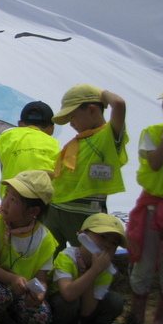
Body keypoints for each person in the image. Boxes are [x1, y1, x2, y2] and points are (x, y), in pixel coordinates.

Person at [0, 170, 57, 324]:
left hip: (23, 292)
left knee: (41, 316)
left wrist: (40, 294)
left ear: (33, 211)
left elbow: (42, 279)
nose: (5, 203)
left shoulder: (45, 238)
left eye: (13, 200)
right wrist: (13, 278)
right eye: (6, 195)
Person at [123, 76, 163, 324]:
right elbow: (154, 164)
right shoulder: (152, 133)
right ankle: (136, 322)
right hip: (152, 207)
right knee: (142, 263)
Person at [46, 84, 127, 250]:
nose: (71, 124)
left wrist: (102, 94)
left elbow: (118, 104)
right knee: (49, 256)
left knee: (91, 257)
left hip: (86, 213)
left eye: (73, 117)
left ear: (92, 110)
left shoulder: (107, 137)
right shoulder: (77, 142)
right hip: (55, 208)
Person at [48, 213, 125, 324]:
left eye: (114, 243)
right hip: (60, 310)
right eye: (102, 237)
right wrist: (94, 271)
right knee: (68, 301)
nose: (107, 245)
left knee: (115, 302)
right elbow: (68, 294)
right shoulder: (67, 256)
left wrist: (94, 272)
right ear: (83, 236)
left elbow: (87, 311)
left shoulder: (105, 270)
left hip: (81, 313)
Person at [0, 100, 60, 199]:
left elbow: (5, 167)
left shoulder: (6, 137)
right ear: (52, 128)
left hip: (10, 201)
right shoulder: (54, 144)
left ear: (20, 124)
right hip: (42, 202)